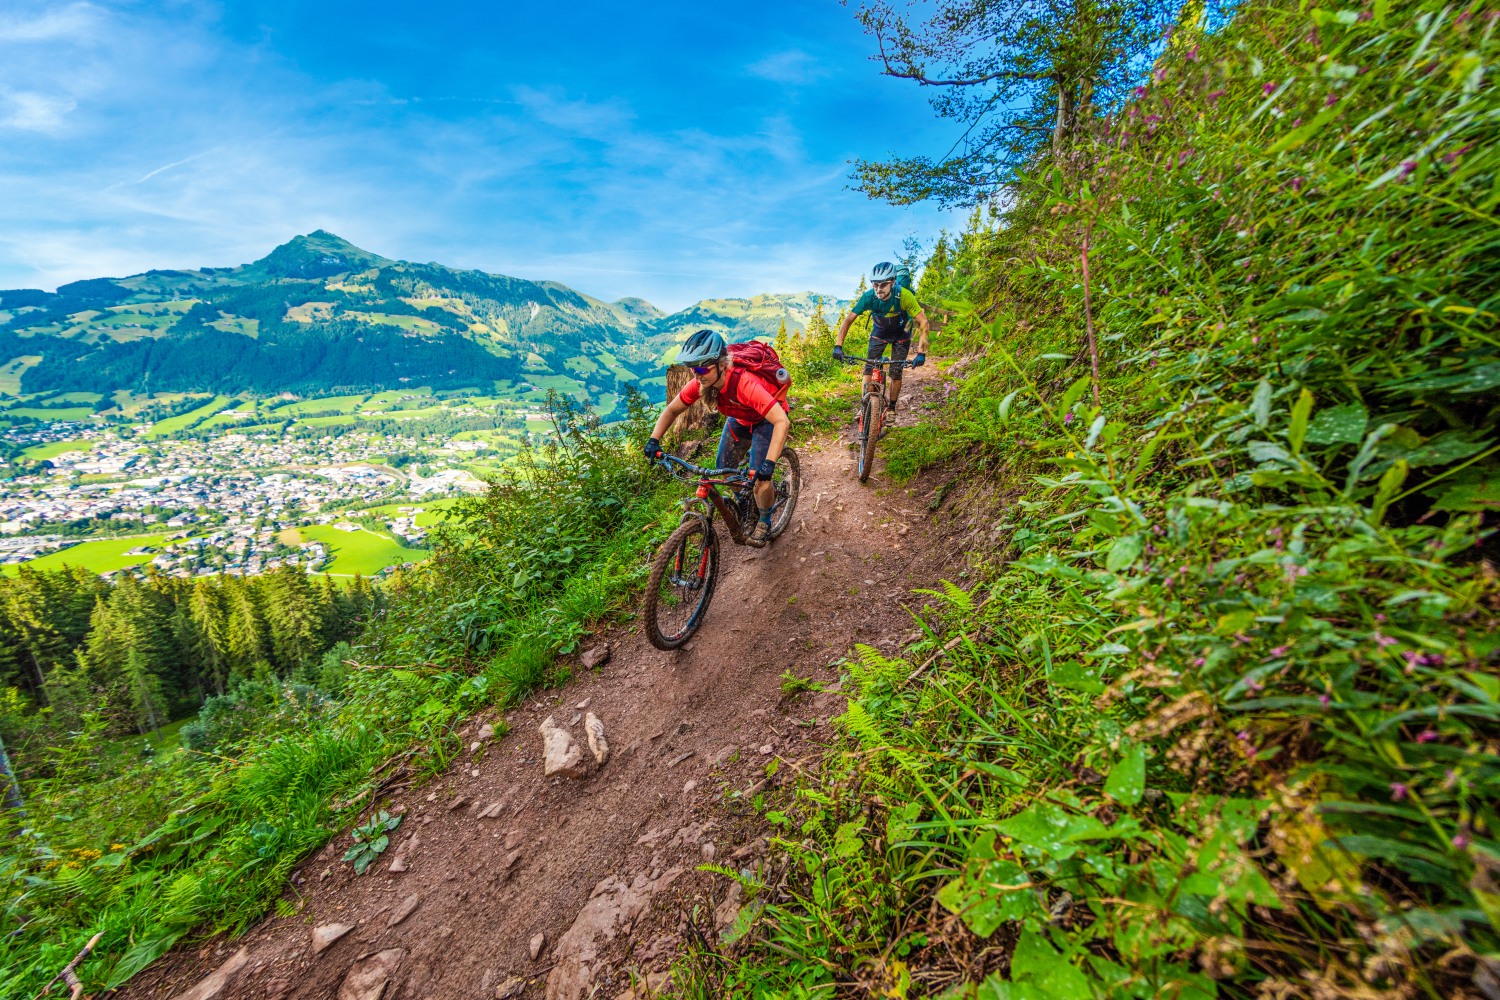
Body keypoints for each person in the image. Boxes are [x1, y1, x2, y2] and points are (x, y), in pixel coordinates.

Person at [643, 329, 791, 546]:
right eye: (692, 369)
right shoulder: (702, 383)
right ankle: (746, 504)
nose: (696, 374)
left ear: (721, 364)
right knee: (724, 466)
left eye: (702, 368)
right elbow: (672, 410)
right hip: (739, 419)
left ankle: (765, 520)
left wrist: (769, 464)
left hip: (767, 420)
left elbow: (781, 422)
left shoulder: (744, 384)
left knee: (761, 479)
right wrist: (653, 440)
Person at [832, 261, 930, 422]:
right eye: (875, 284)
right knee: (869, 368)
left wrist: (921, 353)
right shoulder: (869, 297)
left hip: (901, 333)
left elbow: (924, 322)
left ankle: (891, 408)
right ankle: (864, 406)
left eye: (883, 284)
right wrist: (838, 346)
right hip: (880, 331)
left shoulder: (904, 296)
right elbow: (848, 320)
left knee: (896, 372)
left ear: (892, 282)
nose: (879, 289)